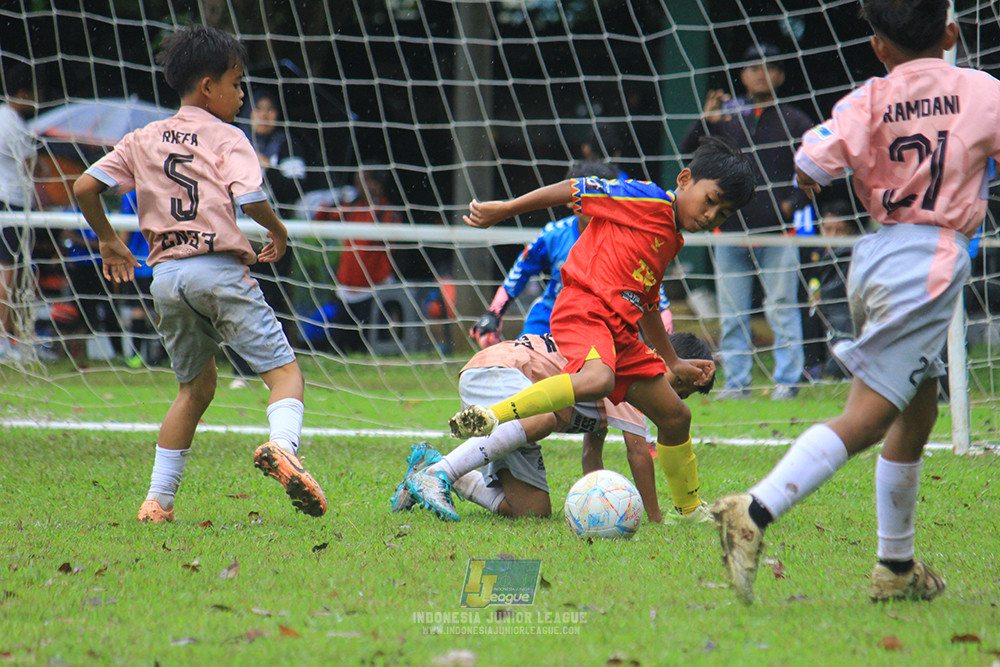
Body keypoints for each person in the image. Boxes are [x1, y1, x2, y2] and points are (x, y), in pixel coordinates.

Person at [710, 0, 998, 605]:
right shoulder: (981, 91)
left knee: (918, 413)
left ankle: (895, 566)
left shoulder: (865, 99)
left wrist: (821, 179)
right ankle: (754, 510)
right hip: (930, 261)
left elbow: (811, 160)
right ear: (950, 33)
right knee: (867, 417)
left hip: (875, 259)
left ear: (878, 46)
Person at [72, 25, 327, 523]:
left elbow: (85, 187)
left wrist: (108, 239)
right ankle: (283, 448)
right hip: (218, 271)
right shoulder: (229, 136)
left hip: (166, 279)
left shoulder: (142, 137)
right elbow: (251, 199)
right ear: (209, 86)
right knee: (285, 375)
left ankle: (156, 502)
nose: (241, 94)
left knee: (194, 390)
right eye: (236, 83)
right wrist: (280, 232)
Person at [448, 136, 755, 527]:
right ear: (684, 179)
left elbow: (646, 300)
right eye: (710, 200)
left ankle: (691, 510)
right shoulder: (644, 198)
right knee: (597, 378)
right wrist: (506, 209)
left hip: (620, 332)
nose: (712, 215)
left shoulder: (672, 238)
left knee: (676, 415)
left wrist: (672, 360)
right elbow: (572, 190)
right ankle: (491, 415)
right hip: (584, 308)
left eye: (724, 213)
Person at [393, 332, 715, 522]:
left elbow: (591, 455)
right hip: (500, 370)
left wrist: (595, 503)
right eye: (675, 386)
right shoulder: (633, 376)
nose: (671, 399)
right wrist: (656, 520)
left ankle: (443, 471)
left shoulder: (606, 391)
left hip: (502, 389)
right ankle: (440, 475)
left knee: (533, 511)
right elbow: (637, 453)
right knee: (545, 416)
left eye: (681, 397)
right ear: (663, 361)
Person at [680, 43, 814, 401]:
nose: (760, 73)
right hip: (730, 233)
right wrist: (705, 122)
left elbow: (817, 169)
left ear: (781, 75)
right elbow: (689, 157)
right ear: (742, 75)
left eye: (769, 66)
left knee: (782, 309)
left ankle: (787, 382)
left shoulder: (795, 120)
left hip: (779, 234)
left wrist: (792, 204)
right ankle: (737, 384)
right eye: (753, 66)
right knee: (733, 314)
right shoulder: (727, 120)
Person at [469, 160, 621, 348]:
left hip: (604, 322)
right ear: (567, 199)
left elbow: (649, 287)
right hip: (551, 317)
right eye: (585, 196)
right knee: (520, 361)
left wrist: (664, 320)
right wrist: (493, 314)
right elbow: (521, 270)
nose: (592, 202)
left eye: (599, 196)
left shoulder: (626, 240)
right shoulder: (554, 234)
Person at [309, 168, 402, 353]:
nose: (361, 186)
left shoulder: (387, 212)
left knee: (367, 346)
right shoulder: (350, 207)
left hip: (373, 289)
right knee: (337, 345)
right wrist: (337, 197)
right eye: (358, 182)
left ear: (378, 184)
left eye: (366, 181)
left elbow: (393, 239)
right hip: (346, 288)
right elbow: (321, 217)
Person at [0, 63, 38, 360]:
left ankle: (12, 338)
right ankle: (4, 338)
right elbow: (29, 168)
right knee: (7, 273)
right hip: (9, 204)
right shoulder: (14, 124)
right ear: (24, 93)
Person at [803, 199, 863, 380]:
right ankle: (812, 367)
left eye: (840, 230)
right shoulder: (812, 255)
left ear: (851, 231)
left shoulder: (857, 255)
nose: (833, 236)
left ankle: (843, 370)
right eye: (828, 230)